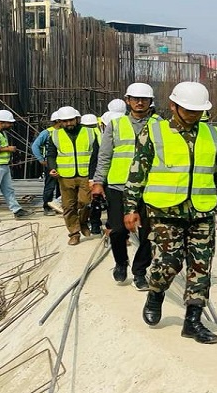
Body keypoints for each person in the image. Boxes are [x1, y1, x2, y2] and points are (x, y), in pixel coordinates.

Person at [125, 81, 217, 345]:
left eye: (198, 111)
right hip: (164, 210)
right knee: (168, 264)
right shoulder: (154, 131)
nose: (193, 115)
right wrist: (131, 207)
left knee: (201, 267)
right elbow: (138, 170)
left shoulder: (212, 135)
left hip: (202, 210)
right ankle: (155, 293)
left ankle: (193, 321)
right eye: (188, 109)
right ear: (173, 106)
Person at [92, 82, 160, 288]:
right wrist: (98, 182)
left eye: (144, 99)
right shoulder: (116, 124)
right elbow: (104, 156)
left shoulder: (160, 125)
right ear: (127, 101)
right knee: (118, 230)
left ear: (150, 102)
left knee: (149, 232)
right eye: (135, 99)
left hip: (149, 186)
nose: (140, 102)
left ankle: (139, 271)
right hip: (118, 185)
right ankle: (121, 262)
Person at [52, 106, 94, 245]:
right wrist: (52, 167)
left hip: (85, 174)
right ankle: (74, 233)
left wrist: (95, 174)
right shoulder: (55, 134)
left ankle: (82, 223)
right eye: (65, 121)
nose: (68, 123)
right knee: (68, 206)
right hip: (65, 176)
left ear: (77, 119)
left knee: (86, 203)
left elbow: (96, 154)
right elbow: (51, 154)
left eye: (71, 120)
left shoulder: (90, 132)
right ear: (60, 122)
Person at [0, 110, 31, 222]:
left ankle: (17, 210)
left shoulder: (1, 133)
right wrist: (7, 149)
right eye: (9, 123)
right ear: (0, 122)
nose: (11, 125)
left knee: (8, 190)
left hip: (2, 166)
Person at [31, 111, 63, 216]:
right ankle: (47, 206)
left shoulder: (64, 132)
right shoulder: (47, 133)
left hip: (64, 163)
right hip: (50, 163)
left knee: (62, 186)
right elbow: (35, 146)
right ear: (58, 121)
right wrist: (41, 159)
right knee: (50, 185)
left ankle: (60, 206)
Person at [80, 114, 103, 234]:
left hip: (88, 172)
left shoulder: (87, 135)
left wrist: (91, 178)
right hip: (100, 171)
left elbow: (93, 157)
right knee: (97, 200)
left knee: (93, 200)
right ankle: (95, 224)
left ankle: (93, 224)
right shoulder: (99, 133)